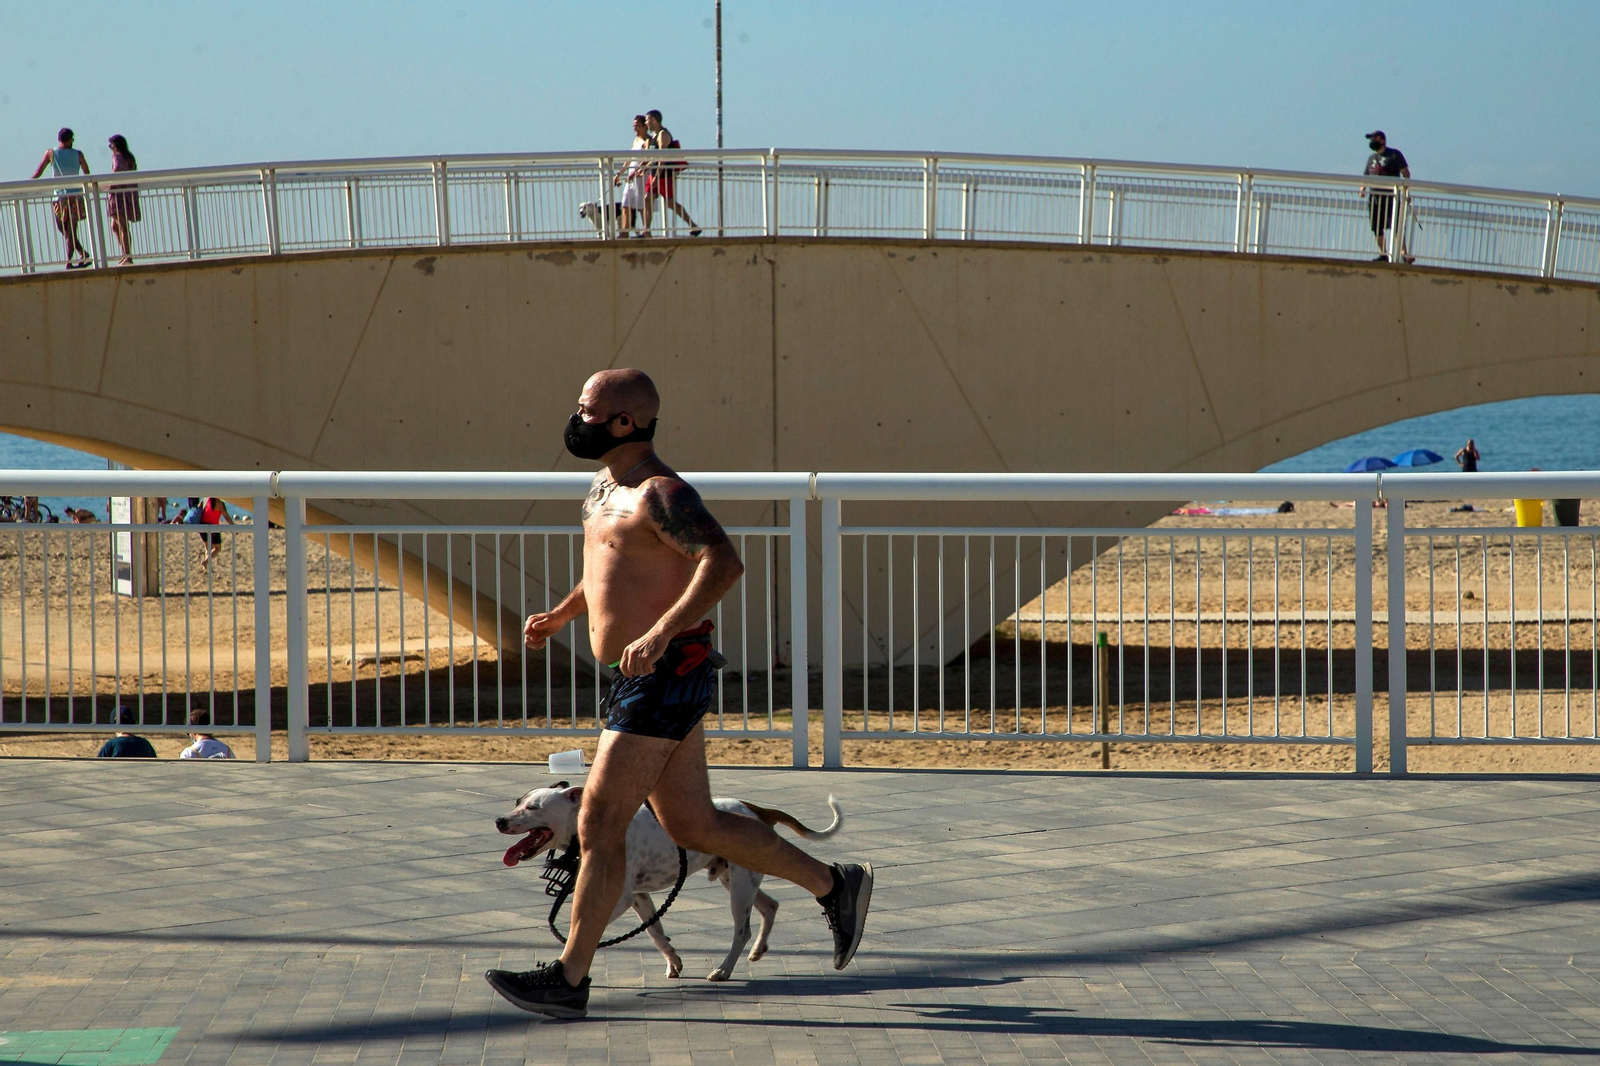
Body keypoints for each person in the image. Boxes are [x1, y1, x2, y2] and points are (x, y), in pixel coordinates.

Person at [484, 369, 872, 1019]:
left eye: (587, 411)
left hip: (663, 676)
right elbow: (611, 572)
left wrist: (663, 632)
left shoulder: (662, 493)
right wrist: (560, 615)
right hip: (638, 677)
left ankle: (569, 979)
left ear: (625, 422)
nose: (576, 420)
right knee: (692, 824)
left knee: (600, 822)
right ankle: (834, 885)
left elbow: (723, 563)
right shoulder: (604, 487)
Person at [30, 128, 92, 268]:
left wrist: (28, 183)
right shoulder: (77, 154)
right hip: (72, 195)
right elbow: (87, 172)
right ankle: (82, 253)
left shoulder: (51, 153)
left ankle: (70, 261)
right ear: (70, 140)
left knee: (68, 230)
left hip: (63, 196)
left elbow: (38, 172)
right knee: (67, 230)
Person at [643, 110, 701, 236]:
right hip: (654, 174)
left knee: (670, 203)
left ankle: (693, 226)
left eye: (647, 120)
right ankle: (646, 230)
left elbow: (662, 158)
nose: (646, 123)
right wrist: (642, 169)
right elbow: (653, 158)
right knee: (647, 198)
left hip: (664, 175)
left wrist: (656, 177)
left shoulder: (663, 135)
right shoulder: (653, 136)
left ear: (654, 120)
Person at [1360, 130, 1413, 264]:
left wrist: (1406, 192)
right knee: (1376, 227)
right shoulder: (1371, 159)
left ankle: (1404, 254)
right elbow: (1365, 177)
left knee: (1396, 226)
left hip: (1391, 198)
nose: (1372, 142)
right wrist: (1362, 189)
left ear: (1382, 140)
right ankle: (1384, 253)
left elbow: (1405, 173)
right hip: (1375, 198)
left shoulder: (1394, 154)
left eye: (1375, 139)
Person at [614, 116, 652, 238]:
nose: (635, 129)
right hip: (632, 176)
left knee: (641, 204)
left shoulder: (648, 141)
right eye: (634, 127)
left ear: (645, 126)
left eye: (638, 126)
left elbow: (647, 159)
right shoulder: (636, 140)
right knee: (626, 202)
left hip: (642, 175)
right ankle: (624, 231)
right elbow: (629, 159)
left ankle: (647, 230)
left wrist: (636, 172)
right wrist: (620, 173)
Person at [107, 134, 140, 266]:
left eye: (111, 145)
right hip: (128, 193)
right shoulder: (129, 156)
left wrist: (110, 184)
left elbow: (116, 171)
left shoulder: (118, 157)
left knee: (122, 226)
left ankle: (127, 255)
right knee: (115, 226)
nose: (110, 147)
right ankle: (125, 253)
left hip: (119, 194)